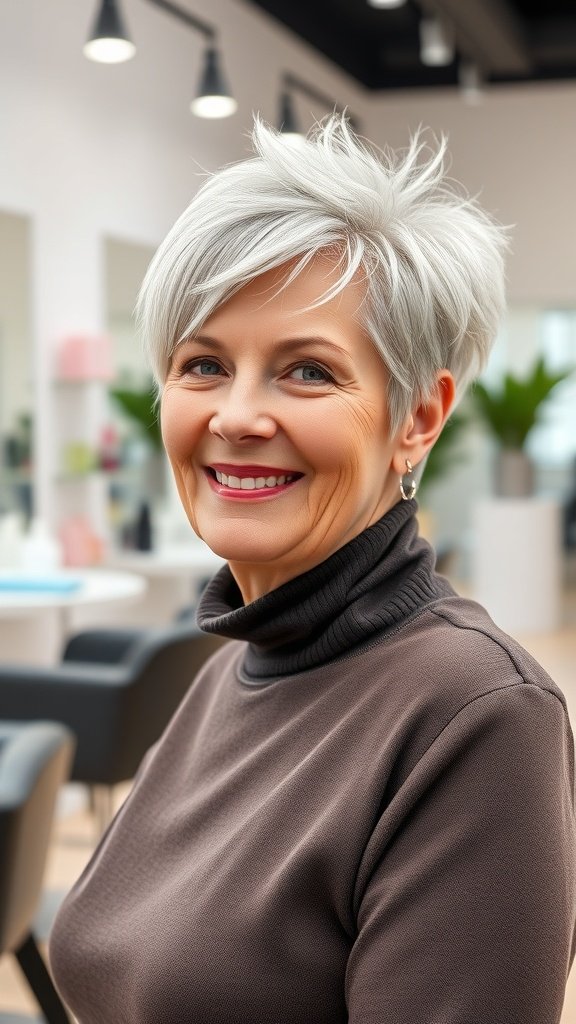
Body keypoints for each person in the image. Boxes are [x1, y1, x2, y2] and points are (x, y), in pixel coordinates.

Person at [49, 117, 576, 1024]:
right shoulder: (227, 669)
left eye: (306, 373)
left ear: (417, 416)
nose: (238, 416)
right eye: (203, 364)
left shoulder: (478, 717)